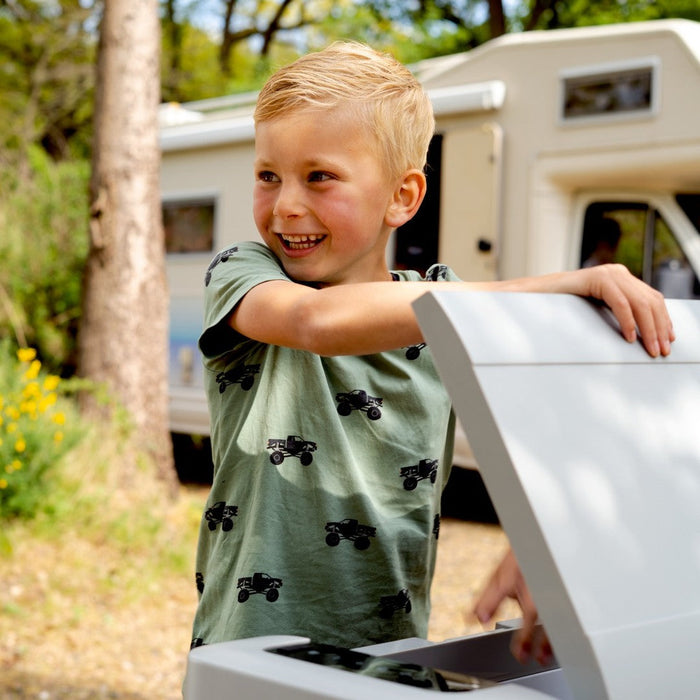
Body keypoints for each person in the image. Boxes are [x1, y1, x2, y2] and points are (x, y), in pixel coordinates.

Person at [190, 41, 674, 664]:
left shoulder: (444, 307)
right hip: (246, 657)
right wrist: (558, 285)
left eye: (319, 176)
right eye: (268, 175)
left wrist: (546, 548)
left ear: (403, 197)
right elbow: (314, 323)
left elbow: (556, 443)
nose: (285, 204)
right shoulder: (243, 275)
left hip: (389, 654)